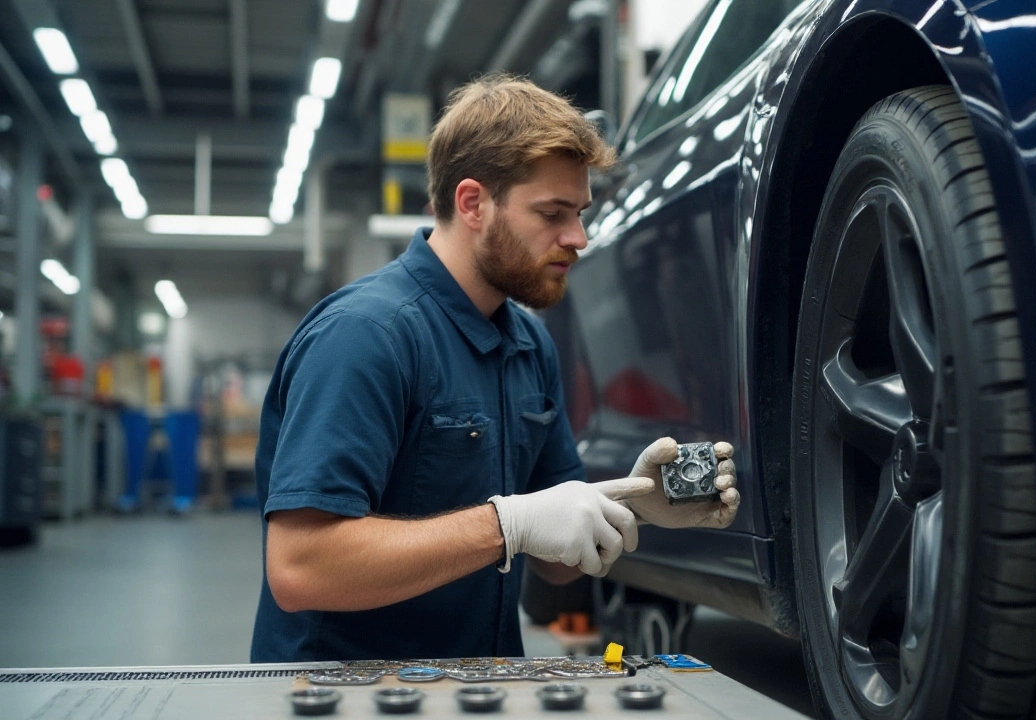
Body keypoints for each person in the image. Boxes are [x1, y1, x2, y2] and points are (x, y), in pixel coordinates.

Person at [250, 75, 740, 663]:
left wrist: (625, 503)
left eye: (580, 212)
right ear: (473, 204)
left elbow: (555, 569)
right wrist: (509, 524)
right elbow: (300, 568)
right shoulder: (367, 336)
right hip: (345, 694)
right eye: (552, 213)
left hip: (482, 686)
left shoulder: (529, 344)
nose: (579, 238)